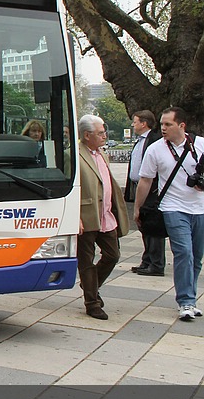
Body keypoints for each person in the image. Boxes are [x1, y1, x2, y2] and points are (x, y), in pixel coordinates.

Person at [134, 106, 204, 322]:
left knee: (197, 256)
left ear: (181, 125)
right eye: (162, 124)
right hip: (172, 207)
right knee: (184, 252)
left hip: (200, 208)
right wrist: (138, 208)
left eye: (168, 124)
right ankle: (186, 301)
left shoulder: (200, 144)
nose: (162, 128)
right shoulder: (155, 149)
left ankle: (190, 296)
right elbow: (145, 180)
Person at [77, 114, 129, 320]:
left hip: (106, 216)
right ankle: (92, 302)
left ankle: (90, 284)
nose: (104, 136)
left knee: (112, 255)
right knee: (86, 261)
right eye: (100, 133)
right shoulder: (74, 154)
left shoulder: (102, 154)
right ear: (87, 135)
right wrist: (75, 216)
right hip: (87, 216)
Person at [126, 110, 164, 276]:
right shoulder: (139, 141)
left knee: (153, 225)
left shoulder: (155, 140)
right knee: (143, 225)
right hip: (138, 186)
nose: (133, 125)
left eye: (135, 122)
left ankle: (156, 263)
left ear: (144, 123)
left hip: (152, 189)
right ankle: (147, 260)